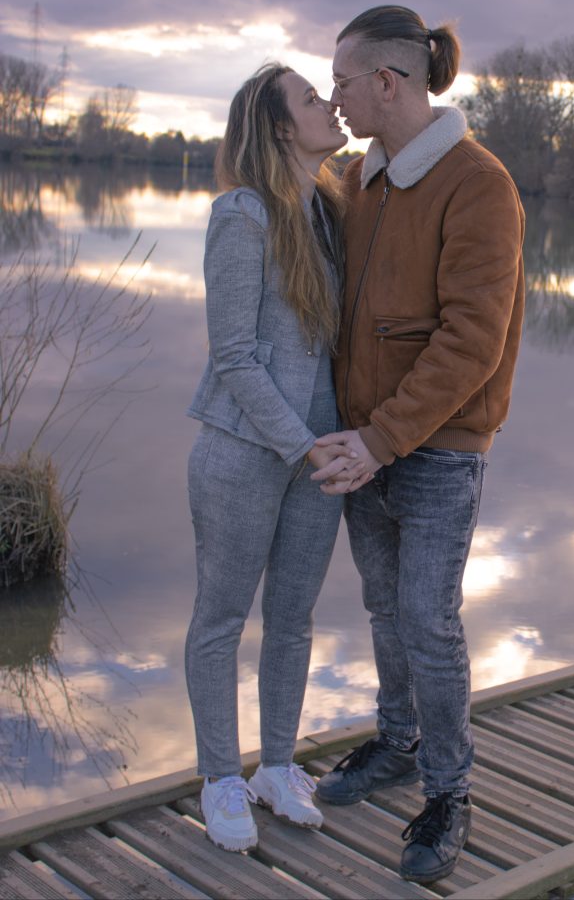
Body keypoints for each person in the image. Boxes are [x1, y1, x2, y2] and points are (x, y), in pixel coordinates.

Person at [310, 5, 525, 884]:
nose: (336, 99)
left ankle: (449, 791)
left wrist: (382, 439)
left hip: (434, 448)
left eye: (343, 83)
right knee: (383, 612)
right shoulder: (363, 175)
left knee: (429, 625)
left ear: (387, 84)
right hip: (365, 443)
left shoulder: (478, 184)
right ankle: (394, 743)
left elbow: (472, 340)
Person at [184, 63, 366, 852]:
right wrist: (301, 444)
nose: (330, 103)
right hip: (243, 448)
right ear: (281, 127)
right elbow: (231, 357)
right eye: (310, 96)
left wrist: (330, 444)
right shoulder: (241, 213)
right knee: (222, 618)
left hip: (318, 455)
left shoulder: (329, 209)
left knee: (292, 621)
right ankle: (221, 777)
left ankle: (277, 767)